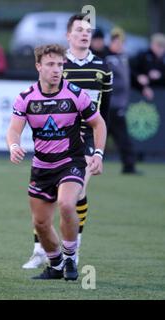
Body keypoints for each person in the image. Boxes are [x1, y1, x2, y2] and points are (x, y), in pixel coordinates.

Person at [7, 44, 107, 280]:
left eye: (60, 65)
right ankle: (55, 264)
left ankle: (71, 256)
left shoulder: (75, 94)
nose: (56, 69)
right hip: (42, 167)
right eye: (51, 64)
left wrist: (99, 154)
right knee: (40, 223)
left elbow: (98, 123)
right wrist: (13, 145)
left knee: (66, 204)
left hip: (70, 162)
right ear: (38, 66)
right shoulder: (26, 98)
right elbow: (13, 129)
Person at [22, 14, 113, 269]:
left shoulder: (103, 67)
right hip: (57, 139)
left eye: (88, 30)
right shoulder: (60, 64)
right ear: (68, 35)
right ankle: (40, 248)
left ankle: (73, 249)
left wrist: (98, 149)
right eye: (79, 30)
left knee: (75, 194)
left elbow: (103, 112)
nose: (85, 34)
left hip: (81, 143)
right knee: (44, 195)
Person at [105, 28, 140, 174]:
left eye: (122, 42)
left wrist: (142, 86)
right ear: (111, 42)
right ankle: (129, 166)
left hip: (119, 104)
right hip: (110, 105)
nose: (120, 45)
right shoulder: (106, 58)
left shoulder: (123, 57)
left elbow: (130, 77)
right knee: (120, 137)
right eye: (117, 41)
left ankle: (129, 166)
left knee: (117, 137)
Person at [131, 32, 165, 101]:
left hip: (161, 93)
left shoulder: (163, 59)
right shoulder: (143, 55)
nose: (160, 49)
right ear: (152, 44)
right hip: (141, 92)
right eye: (158, 45)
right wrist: (139, 77)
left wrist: (160, 75)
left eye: (162, 46)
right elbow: (132, 70)